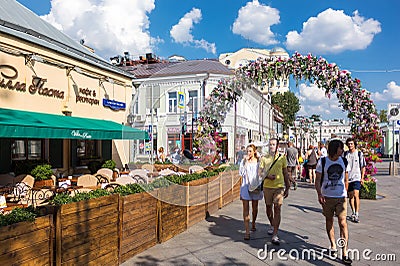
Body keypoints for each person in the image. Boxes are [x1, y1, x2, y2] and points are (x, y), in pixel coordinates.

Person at [315, 139, 352, 265]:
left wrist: (345, 192)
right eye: (341, 148)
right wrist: (319, 194)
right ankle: (333, 245)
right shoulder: (323, 161)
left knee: (343, 223)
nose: (343, 150)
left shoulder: (344, 161)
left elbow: (346, 179)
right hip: (327, 196)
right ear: (334, 149)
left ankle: (345, 252)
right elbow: (318, 179)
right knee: (329, 220)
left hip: (341, 197)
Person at [259, 138, 290, 245]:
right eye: (270, 144)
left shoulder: (282, 158)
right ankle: (272, 224)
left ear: (277, 146)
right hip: (267, 186)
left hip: (279, 186)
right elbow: (260, 173)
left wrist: (288, 185)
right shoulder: (264, 158)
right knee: (268, 208)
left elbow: (285, 173)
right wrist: (267, 176)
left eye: (273, 144)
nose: (271, 146)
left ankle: (275, 234)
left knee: (277, 207)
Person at [239, 144, 263, 240]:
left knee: (254, 207)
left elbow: (261, 174)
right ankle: (247, 231)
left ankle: (253, 222)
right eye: (247, 151)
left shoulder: (258, 162)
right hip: (245, 186)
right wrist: (244, 162)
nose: (248, 153)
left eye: (250, 151)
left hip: (255, 186)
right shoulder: (244, 161)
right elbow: (241, 173)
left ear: (254, 152)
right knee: (245, 208)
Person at [344, 138, 366, 223]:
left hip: (356, 177)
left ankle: (357, 213)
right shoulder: (346, 154)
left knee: (356, 194)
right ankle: (353, 211)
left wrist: (362, 178)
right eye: (348, 144)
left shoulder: (359, 154)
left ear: (354, 144)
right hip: (348, 178)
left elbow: (363, 166)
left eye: (351, 144)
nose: (350, 145)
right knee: (351, 196)